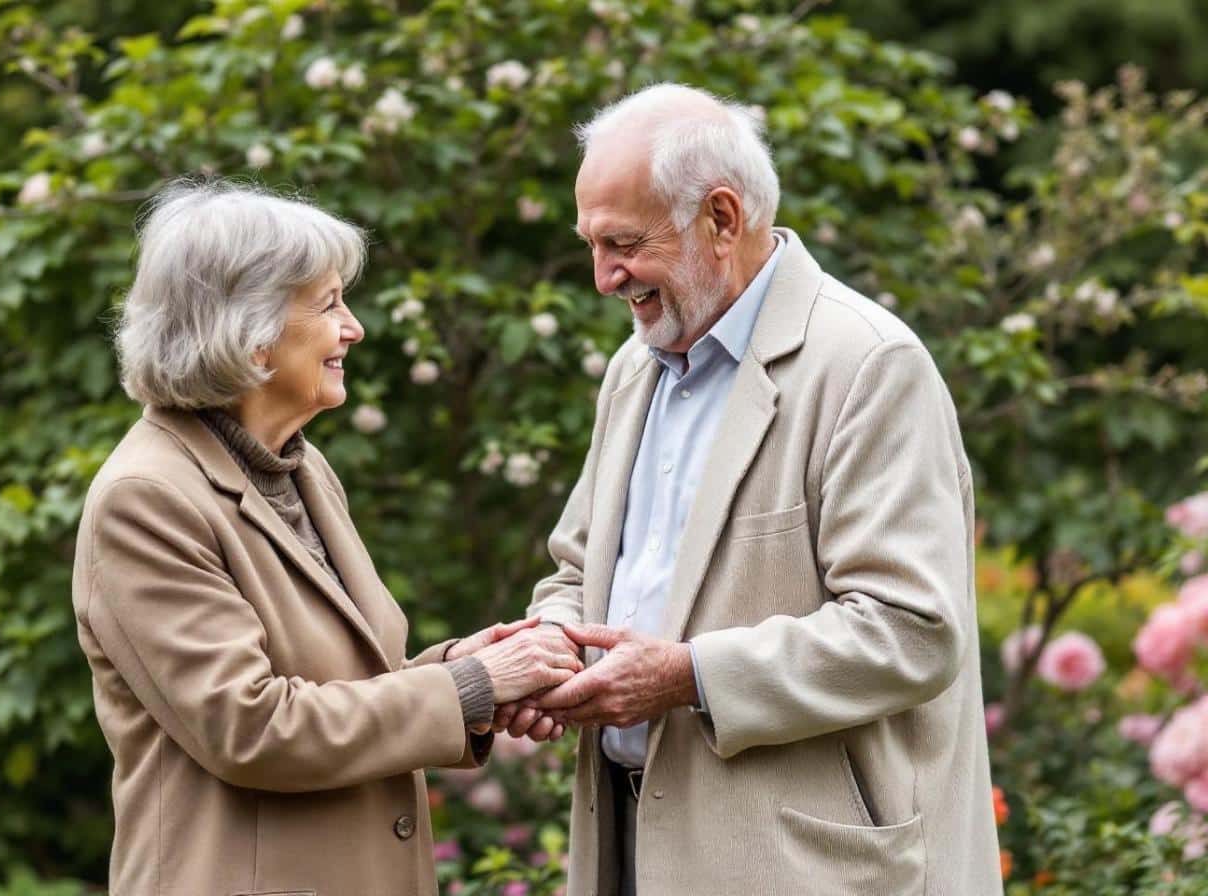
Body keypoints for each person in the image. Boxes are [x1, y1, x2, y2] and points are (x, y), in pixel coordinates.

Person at [507, 84, 1003, 895]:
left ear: (723, 219)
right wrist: (550, 645)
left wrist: (686, 674)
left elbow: (913, 629)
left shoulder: (870, 364)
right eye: (590, 246)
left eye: (623, 243)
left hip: (800, 870)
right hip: (630, 845)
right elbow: (578, 568)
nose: (602, 278)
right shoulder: (635, 368)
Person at [70, 178, 579, 896]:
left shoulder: (300, 466)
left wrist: (464, 668)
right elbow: (252, 728)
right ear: (247, 328)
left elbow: (346, 685)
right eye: (330, 303)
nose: (354, 328)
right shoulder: (147, 499)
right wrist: (466, 688)